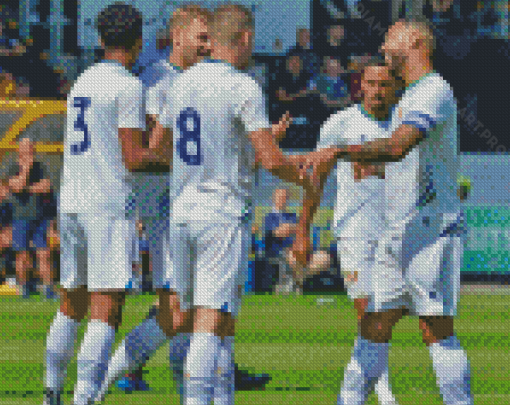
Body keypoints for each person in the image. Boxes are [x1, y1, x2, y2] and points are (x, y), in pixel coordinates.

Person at [295, 19, 473, 405]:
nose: (383, 44)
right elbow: (400, 160)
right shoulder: (411, 95)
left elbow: (397, 148)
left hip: (431, 231)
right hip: (400, 231)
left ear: (412, 41)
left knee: (435, 329)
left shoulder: (433, 90)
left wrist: (341, 151)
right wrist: (373, 167)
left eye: (390, 37)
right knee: (373, 323)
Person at [158, 4, 315, 404]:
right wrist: (304, 176)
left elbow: (158, 144)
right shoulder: (243, 86)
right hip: (220, 214)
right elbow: (271, 160)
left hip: (182, 212)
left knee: (218, 321)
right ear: (244, 38)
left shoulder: (181, 82)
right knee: (210, 323)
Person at [43, 4, 169, 405]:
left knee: (70, 303)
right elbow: (133, 157)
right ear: (139, 41)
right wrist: (175, 160)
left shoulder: (82, 81)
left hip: (73, 199)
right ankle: (83, 399)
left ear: (100, 40)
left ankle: (51, 394)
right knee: (105, 307)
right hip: (107, 204)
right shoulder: (128, 86)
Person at [93, 6, 211, 403]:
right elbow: (145, 148)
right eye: (201, 37)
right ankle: (97, 383)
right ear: (178, 37)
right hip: (163, 203)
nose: (207, 45)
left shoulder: (195, 80)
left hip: (187, 201)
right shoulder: (157, 80)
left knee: (190, 311)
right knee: (177, 311)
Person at [7, 138, 54, 299]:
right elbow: (17, 186)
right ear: (19, 150)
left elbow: (47, 186)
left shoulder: (40, 167)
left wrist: (27, 187)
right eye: (26, 148)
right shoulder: (13, 168)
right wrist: (26, 169)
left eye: (31, 148)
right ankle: (24, 288)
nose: (30, 151)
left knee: (44, 254)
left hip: (40, 218)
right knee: (22, 256)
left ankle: (48, 289)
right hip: (21, 218)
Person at [264, 188, 298, 294]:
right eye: (280, 197)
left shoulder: (292, 216)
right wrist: (290, 228)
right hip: (276, 250)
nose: (283, 200)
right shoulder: (269, 217)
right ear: (274, 198)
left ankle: (294, 282)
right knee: (291, 255)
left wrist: (288, 228)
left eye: (285, 197)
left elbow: (300, 230)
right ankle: (290, 284)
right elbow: (276, 233)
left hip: (293, 248)